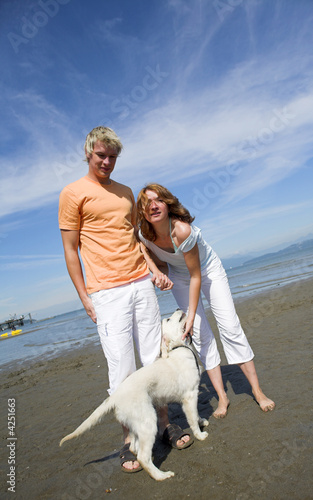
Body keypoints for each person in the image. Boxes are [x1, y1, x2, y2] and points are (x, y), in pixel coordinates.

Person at [58, 128, 191, 474]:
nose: (107, 162)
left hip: (140, 284)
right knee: (122, 369)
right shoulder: (73, 194)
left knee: (152, 362)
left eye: (112, 157)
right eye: (101, 155)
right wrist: (84, 296)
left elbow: (134, 239)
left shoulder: (126, 193)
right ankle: (128, 441)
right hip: (106, 292)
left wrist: (152, 271)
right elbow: (70, 251)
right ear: (89, 153)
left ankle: (163, 427)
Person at [137, 183, 275, 417]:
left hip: (207, 271)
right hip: (180, 277)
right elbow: (142, 248)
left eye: (158, 200)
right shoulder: (144, 233)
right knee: (200, 335)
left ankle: (258, 391)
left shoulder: (182, 230)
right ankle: (222, 397)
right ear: (142, 211)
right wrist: (156, 272)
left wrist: (190, 315)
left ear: (167, 204)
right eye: (147, 203)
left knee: (230, 327)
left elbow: (196, 276)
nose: (153, 206)